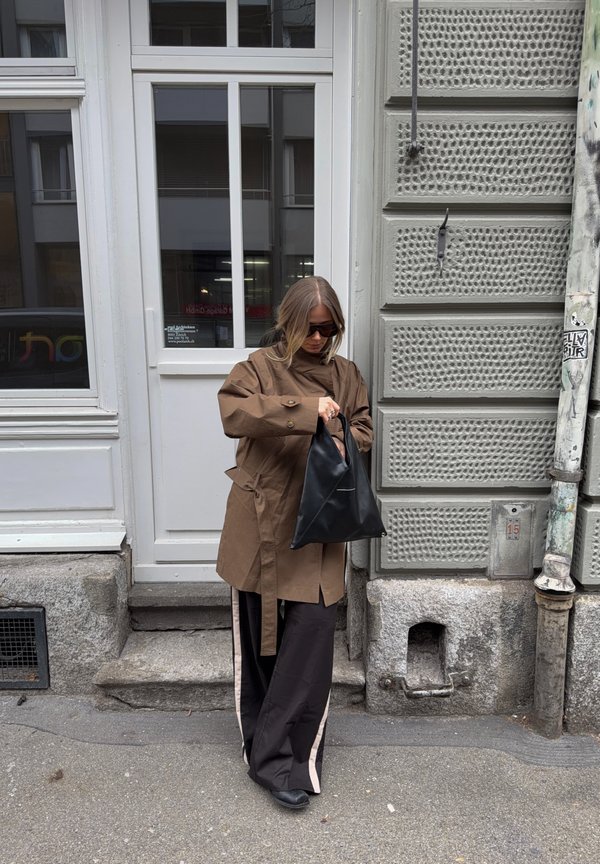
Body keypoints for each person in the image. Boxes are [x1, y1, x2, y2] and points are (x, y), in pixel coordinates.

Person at [216, 275, 373, 810]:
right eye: (310, 328)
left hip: (319, 532)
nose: (319, 339)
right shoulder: (258, 367)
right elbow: (234, 414)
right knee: (259, 650)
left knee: (309, 646)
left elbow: (365, 430)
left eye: (328, 329)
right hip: (261, 524)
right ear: (290, 322)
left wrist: (338, 433)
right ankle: (263, 750)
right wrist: (305, 413)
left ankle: (289, 758)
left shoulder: (347, 375)